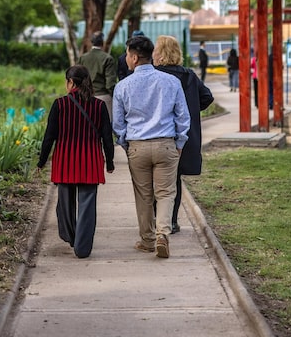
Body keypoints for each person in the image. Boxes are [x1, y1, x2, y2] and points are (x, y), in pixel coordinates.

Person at [112, 34, 190, 259]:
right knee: (166, 193)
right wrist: (180, 142)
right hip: (166, 144)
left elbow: (118, 123)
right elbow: (182, 117)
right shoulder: (171, 82)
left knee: (143, 194)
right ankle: (162, 234)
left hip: (138, 146)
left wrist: (125, 143)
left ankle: (147, 239)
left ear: (135, 58)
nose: (126, 58)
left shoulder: (123, 86)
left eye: (127, 54)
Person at [37, 65, 115, 259]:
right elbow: (107, 136)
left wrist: (41, 161)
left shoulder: (60, 105)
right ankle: (83, 247)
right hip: (90, 162)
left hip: (65, 161)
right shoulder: (98, 106)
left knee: (65, 205)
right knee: (87, 206)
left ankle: (71, 237)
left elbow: (50, 136)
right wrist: (110, 161)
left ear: (70, 82)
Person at [153, 35, 214, 235]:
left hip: (160, 133)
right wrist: (192, 109)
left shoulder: (156, 75)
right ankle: (172, 220)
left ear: (160, 53)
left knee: (158, 179)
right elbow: (207, 97)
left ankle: (158, 219)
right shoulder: (188, 75)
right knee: (175, 178)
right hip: (183, 135)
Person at [78, 31, 116, 121]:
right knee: (106, 126)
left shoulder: (82, 58)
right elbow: (110, 84)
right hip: (103, 96)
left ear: (91, 42)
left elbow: (77, 77)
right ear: (102, 42)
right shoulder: (107, 58)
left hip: (85, 96)